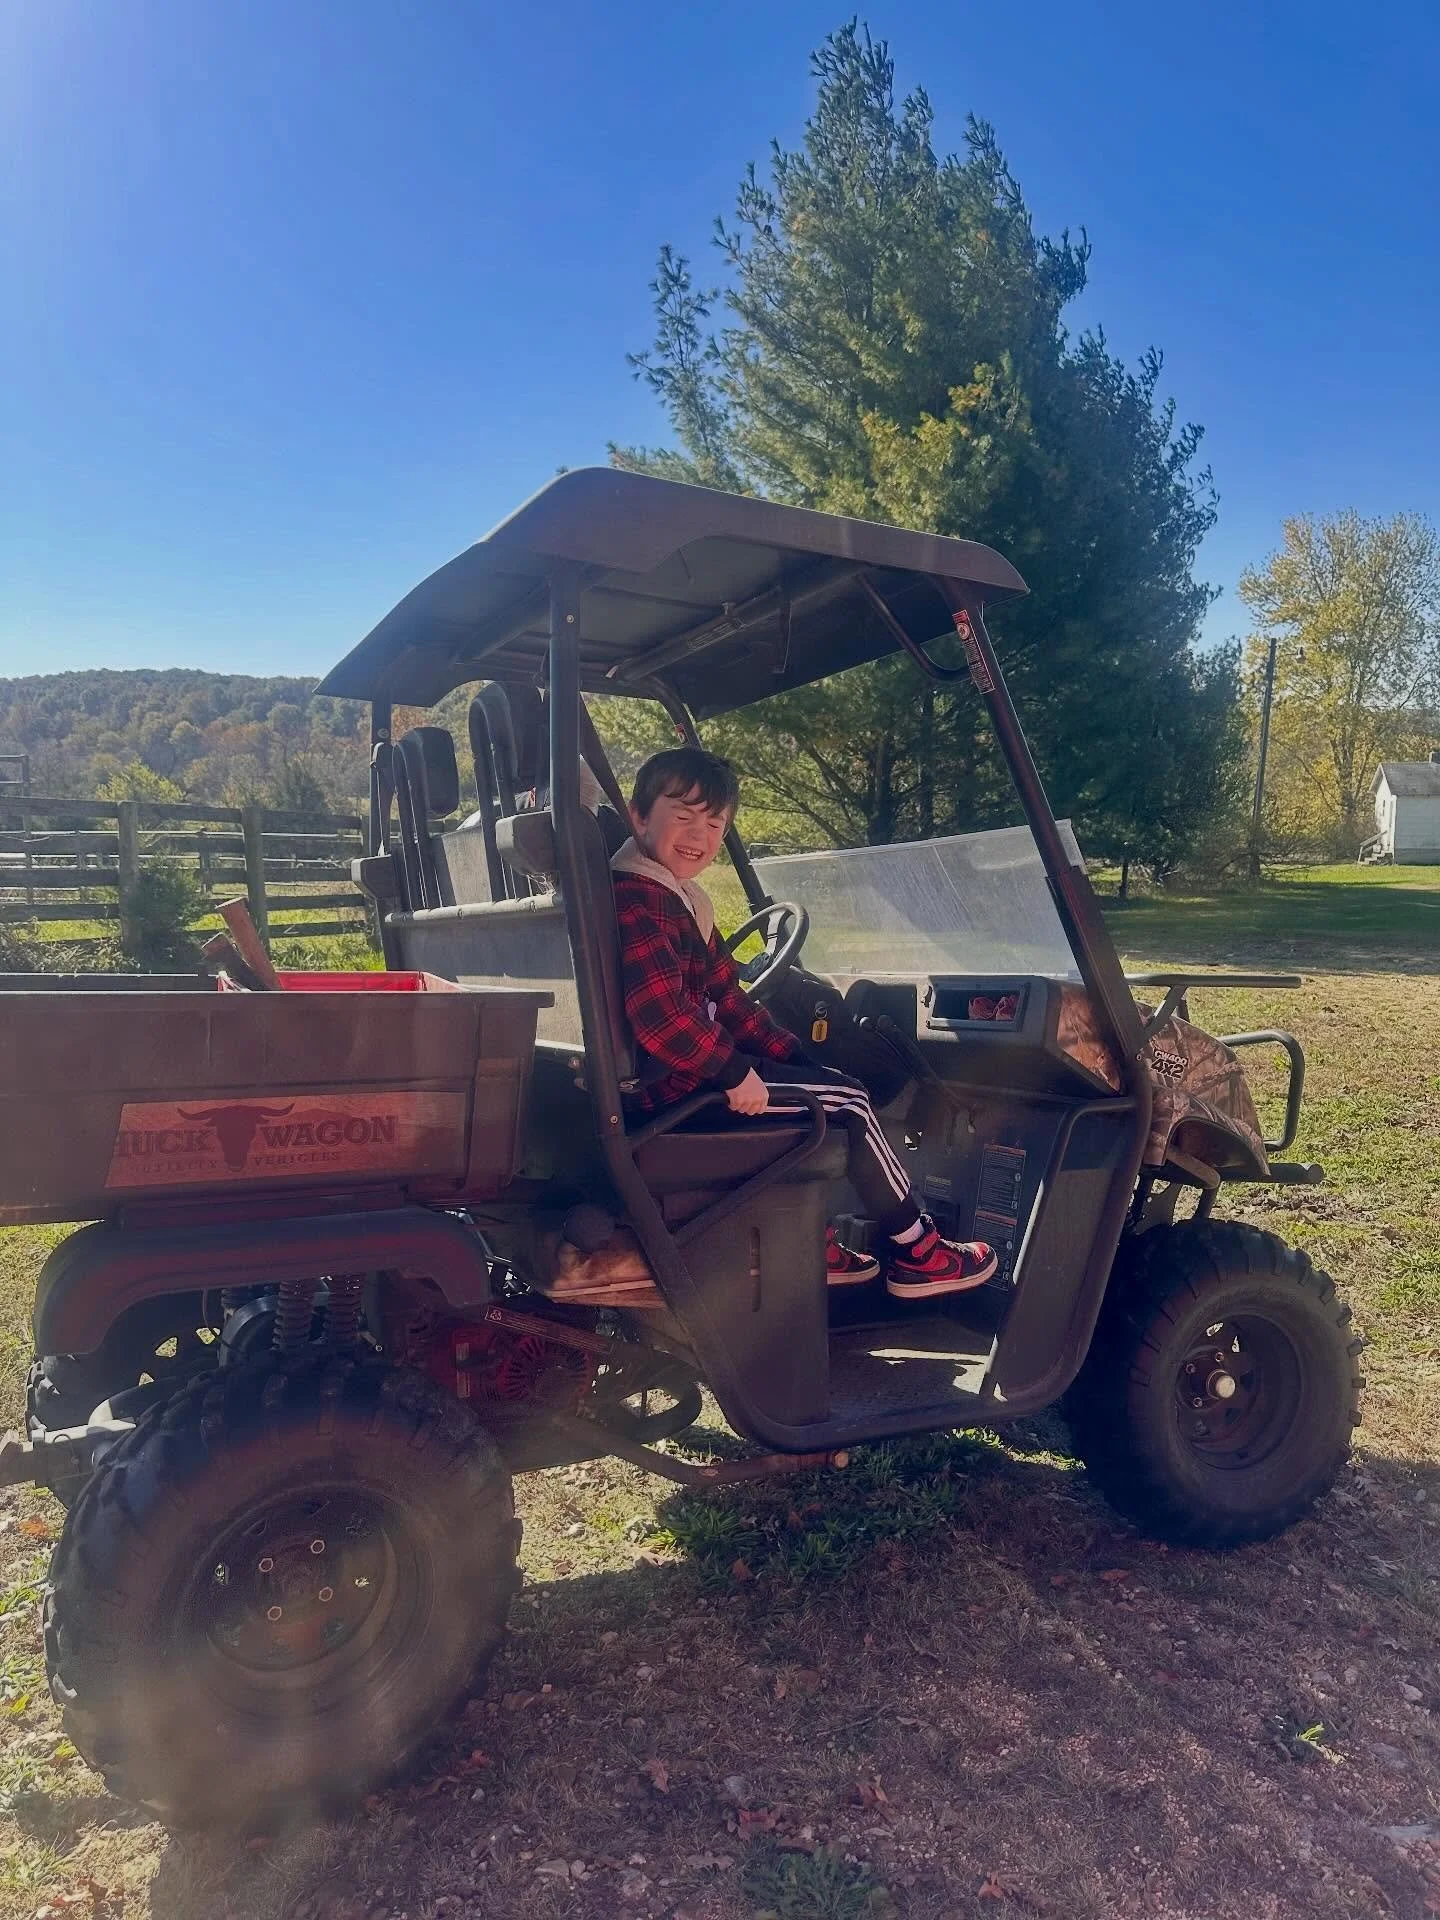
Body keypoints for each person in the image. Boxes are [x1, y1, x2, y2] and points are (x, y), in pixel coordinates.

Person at [611, 747, 997, 1300]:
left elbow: (725, 995)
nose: (700, 832)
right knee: (854, 1102)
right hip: (678, 1090)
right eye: (684, 815)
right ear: (639, 816)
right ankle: (920, 1254)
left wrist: (794, 1056)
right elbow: (662, 1018)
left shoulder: (675, 894)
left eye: (715, 822)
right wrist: (734, 1071)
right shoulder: (641, 900)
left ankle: (806, 1238)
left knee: (824, 1085)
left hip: (678, 1079)